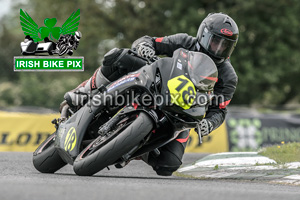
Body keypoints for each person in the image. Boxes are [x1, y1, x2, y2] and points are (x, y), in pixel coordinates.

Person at [61, 12, 239, 176]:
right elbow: (148, 40)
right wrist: (145, 47)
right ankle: (85, 91)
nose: (218, 48)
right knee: (119, 57)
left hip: (180, 112)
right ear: (203, 35)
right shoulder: (185, 41)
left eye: (225, 45)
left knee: (168, 164)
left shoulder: (228, 77)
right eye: (215, 41)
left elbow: (220, 110)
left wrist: (209, 123)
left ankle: (131, 145)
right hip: (156, 84)